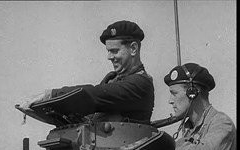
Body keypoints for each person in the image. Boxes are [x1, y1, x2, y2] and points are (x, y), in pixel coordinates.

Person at [19, 20, 154, 124]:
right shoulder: (112, 79)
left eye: (114, 51)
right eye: (108, 51)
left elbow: (93, 96)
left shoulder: (140, 83)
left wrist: (50, 95)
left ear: (133, 49)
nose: (109, 57)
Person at [164, 62, 236, 150]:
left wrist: (168, 148)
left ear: (192, 93)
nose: (170, 101)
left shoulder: (222, 123)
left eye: (174, 93)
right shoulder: (190, 129)